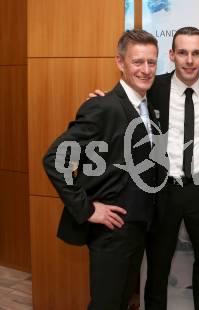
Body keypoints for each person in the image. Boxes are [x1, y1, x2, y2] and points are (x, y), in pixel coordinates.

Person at [43, 30, 160, 310]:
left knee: (121, 302)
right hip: (112, 231)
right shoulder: (103, 106)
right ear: (120, 63)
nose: (145, 69)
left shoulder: (147, 106)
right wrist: (87, 209)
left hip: (137, 227)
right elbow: (53, 159)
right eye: (137, 62)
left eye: (151, 62)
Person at [144, 27, 199, 310]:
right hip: (164, 189)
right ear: (171, 55)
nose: (189, 60)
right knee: (157, 268)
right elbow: (124, 105)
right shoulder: (153, 87)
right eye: (182, 52)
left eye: (196, 53)